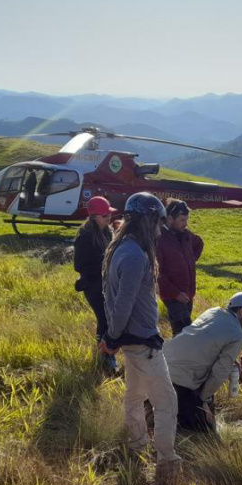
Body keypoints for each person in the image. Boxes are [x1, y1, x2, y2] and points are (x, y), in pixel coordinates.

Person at [99, 192, 180, 465]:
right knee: (167, 403)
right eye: (157, 223)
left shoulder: (122, 248)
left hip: (133, 342)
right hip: (142, 343)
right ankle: (167, 461)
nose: (159, 231)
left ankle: (137, 445)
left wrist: (113, 336)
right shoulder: (135, 255)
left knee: (134, 396)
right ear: (147, 221)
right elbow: (123, 304)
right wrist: (111, 337)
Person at [164, 292, 242, 432]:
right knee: (204, 430)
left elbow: (202, 340)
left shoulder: (213, 311)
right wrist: (203, 400)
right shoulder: (238, 334)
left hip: (161, 365)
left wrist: (231, 360)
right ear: (241, 311)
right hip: (180, 379)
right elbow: (219, 373)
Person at [73, 196, 117, 372]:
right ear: (94, 216)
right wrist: (104, 264)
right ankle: (106, 356)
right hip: (94, 286)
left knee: (109, 318)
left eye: (109, 214)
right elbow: (79, 265)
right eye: (105, 215)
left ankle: (106, 352)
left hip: (107, 284)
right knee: (104, 319)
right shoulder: (85, 236)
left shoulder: (107, 231)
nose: (108, 217)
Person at [157, 199, 204, 336]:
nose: (186, 224)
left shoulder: (186, 235)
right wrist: (176, 293)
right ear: (170, 218)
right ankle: (178, 356)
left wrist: (190, 259)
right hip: (172, 296)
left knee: (181, 334)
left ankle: (176, 356)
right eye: (182, 220)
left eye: (186, 220)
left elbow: (199, 243)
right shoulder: (159, 239)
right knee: (185, 332)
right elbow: (156, 273)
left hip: (188, 294)